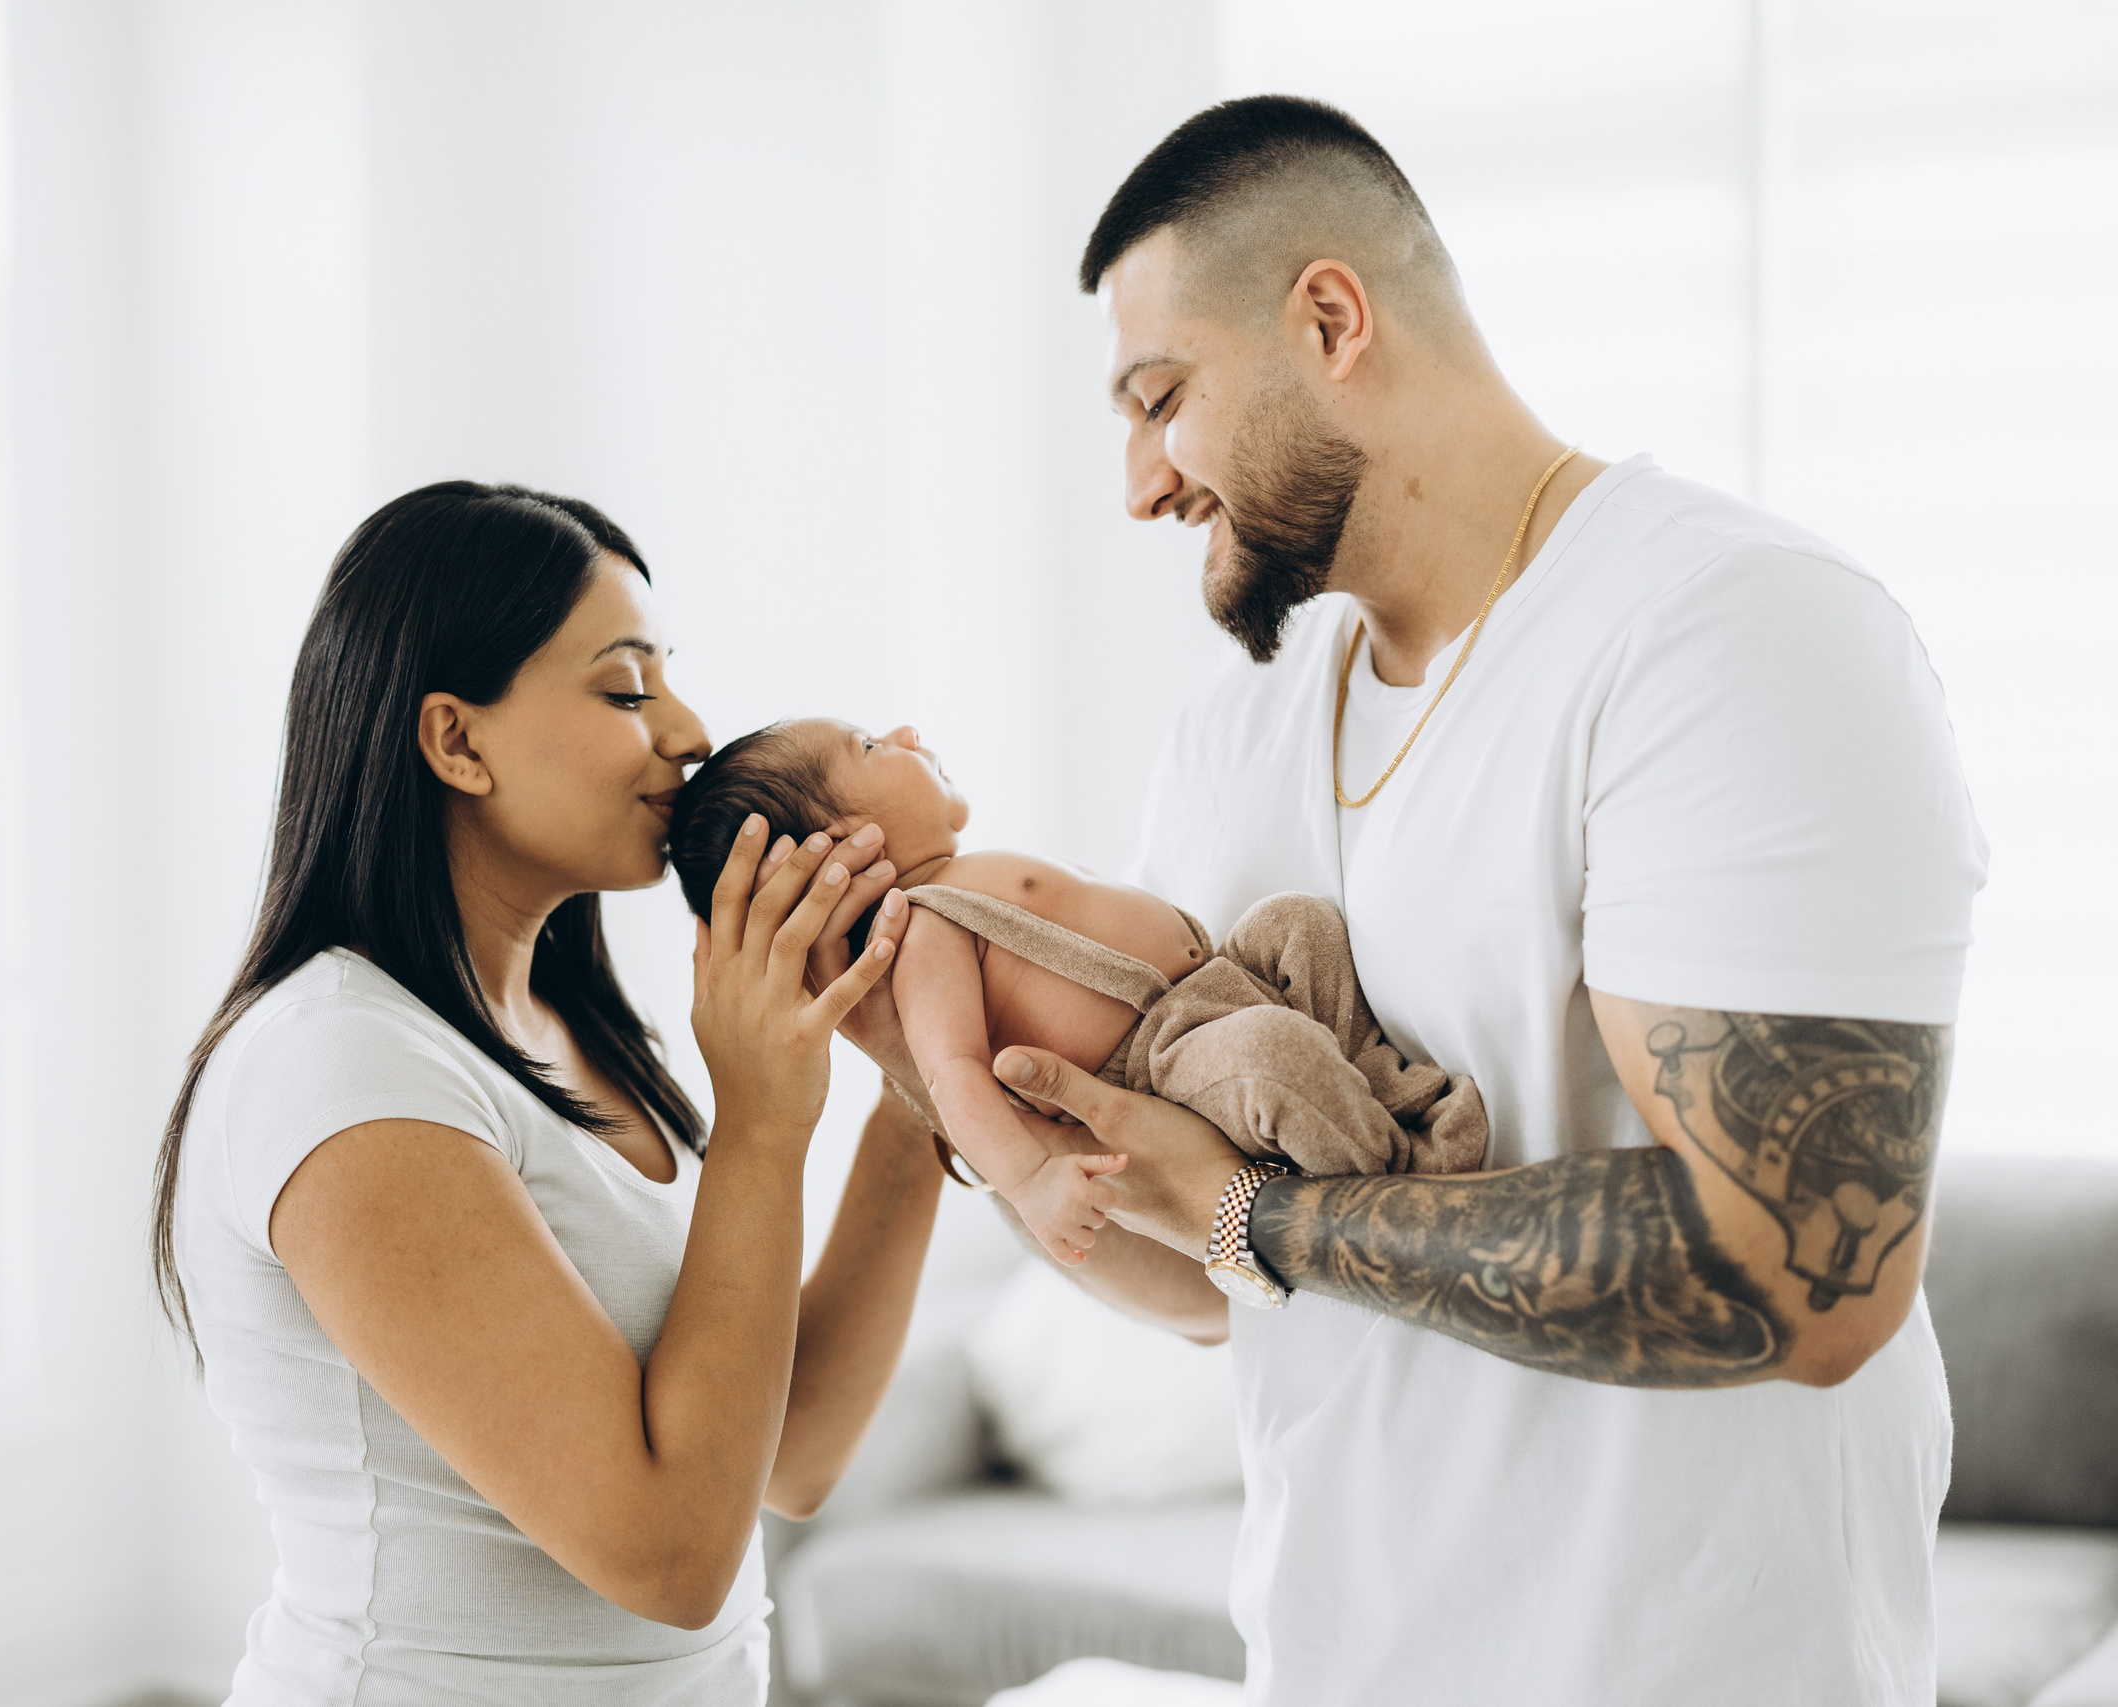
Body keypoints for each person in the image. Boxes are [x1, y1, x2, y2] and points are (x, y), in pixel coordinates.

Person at [836, 99, 1986, 1705]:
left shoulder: (1730, 634)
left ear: (1328, 319)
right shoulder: (1227, 735)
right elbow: (1204, 1285)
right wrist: (928, 1061)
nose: (1138, 485)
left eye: (1160, 399)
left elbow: (1800, 1272)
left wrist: (1266, 1215)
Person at [150, 482, 939, 1705]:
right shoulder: (344, 1067)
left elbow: (794, 1451)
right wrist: (763, 1127)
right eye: (626, 689)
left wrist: (915, 1079)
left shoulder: (575, 1031)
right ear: (455, 740)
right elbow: (671, 1554)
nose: (687, 731)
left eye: (669, 679)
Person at [664, 716, 1485, 1264]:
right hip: (1167, 1058)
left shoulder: (964, 873)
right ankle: (1408, 1176)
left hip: (1221, 978)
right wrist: (1028, 1178)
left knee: (1300, 923)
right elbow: (954, 1074)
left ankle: (1385, 1093)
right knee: (1273, 1061)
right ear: (842, 847)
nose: (904, 732)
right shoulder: (924, 933)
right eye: (872, 749)